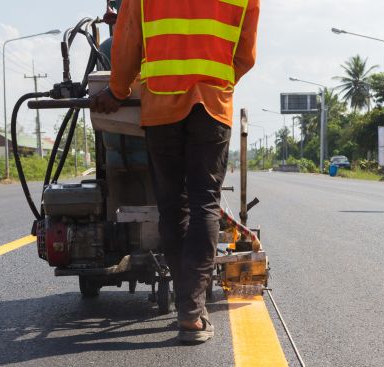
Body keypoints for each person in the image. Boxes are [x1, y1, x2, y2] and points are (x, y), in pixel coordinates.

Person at [91, 0, 260, 344]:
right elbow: (245, 55)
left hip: (162, 105)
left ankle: (189, 306)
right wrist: (216, 81)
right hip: (212, 106)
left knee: (172, 206)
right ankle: (191, 311)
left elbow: (126, 42)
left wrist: (118, 90)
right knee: (205, 205)